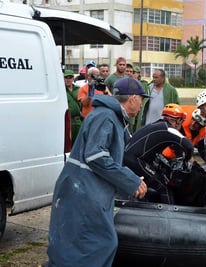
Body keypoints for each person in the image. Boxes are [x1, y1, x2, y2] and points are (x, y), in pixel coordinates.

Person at [47, 77, 149, 266]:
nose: (142, 104)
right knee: (98, 244)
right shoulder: (106, 116)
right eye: (141, 99)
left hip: (85, 189)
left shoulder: (109, 116)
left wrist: (130, 179)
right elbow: (96, 156)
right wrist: (131, 181)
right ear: (133, 98)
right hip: (83, 192)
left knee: (83, 245)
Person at [123, 103, 194, 204]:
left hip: (130, 159)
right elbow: (189, 146)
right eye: (181, 121)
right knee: (164, 186)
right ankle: (170, 216)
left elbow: (175, 145)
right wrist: (187, 159)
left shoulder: (155, 125)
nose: (181, 124)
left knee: (151, 181)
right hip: (136, 161)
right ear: (176, 120)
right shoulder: (169, 129)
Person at [63, 69, 82, 146]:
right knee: (68, 144)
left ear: (73, 79)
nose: (68, 80)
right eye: (66, 77)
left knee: (79, 143)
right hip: (68, 121)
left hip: (79, 120)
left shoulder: (79, 89)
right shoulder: (61, 90)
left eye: (70, 77)